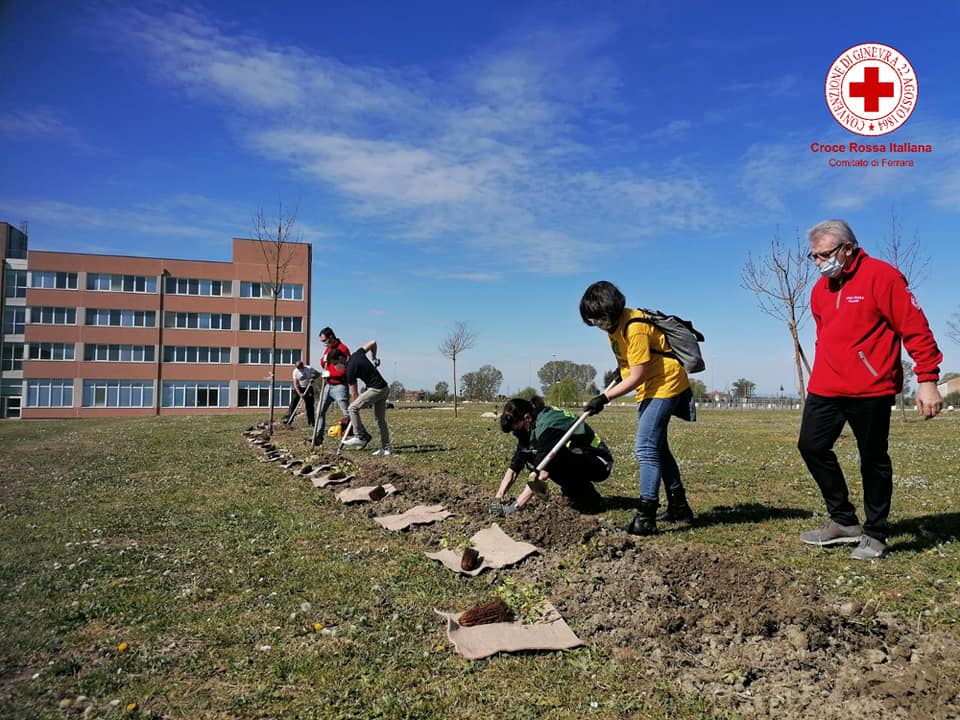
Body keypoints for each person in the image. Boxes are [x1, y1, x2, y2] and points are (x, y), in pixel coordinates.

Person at [797, 219, 943, 560]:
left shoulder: (883, 276)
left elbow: (916, 329)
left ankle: (876, 533)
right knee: (811, 447)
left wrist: (927, 379)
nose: (818, 263)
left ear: (847, 248)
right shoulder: (820, 290)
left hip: (870, 388)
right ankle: (844, 521)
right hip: (826, 386)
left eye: (824, 255)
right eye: (814, 256)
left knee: (873, 459)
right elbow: (825, 336)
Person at [579, 280, 696, 535]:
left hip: (665, 384)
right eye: (593, 321)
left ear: (610, 311)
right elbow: (631, 363)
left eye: (598, 319)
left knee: (645, 447)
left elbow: (637, 376)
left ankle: (646, 516)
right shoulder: (615, 328)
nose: (597, 325)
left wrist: (604, 398)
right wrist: (620, 370)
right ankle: (679, 506)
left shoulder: (635, 327)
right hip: (649, 387)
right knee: (658, 448)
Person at [489, 395, 612, 517]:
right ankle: (584, 495)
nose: (516, 433)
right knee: (531, 455)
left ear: (527, 418)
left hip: (599, 461)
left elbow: (540, 473)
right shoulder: (531, 425)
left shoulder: (547, 426)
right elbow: (514, 467)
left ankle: (586, 496)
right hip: (578, 458)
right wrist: (497, 499)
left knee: (551, 461)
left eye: (517, 429)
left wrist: (514, 507)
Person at [327, 340, 392, 455]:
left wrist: (356, 407)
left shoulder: (350, 370)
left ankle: (360, 437)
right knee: (380, 420)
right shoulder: (357, 354)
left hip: (376, 389)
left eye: (335, 363)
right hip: (384, 388)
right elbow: (373, 343)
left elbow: (354, 394)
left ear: (341, 358)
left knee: (352, 408)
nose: (336, 367)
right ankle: (386, 448)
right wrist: (374, 357)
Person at [314, 327, 351, 444]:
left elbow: (344, 370)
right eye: (322, 341)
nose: (324, 343)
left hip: (340, 386)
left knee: (348, 413)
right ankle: (318, 437)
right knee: (319, 412)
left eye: (325, 340)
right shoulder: (328, 349)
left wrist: (330, 373)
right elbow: (323, 364)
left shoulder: (343, 349)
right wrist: (323, 360)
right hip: (328, 385)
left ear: (331, 337)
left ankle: (359, 434)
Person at [283, 360, 319, 427]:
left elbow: (318, 374)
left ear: (303, 365)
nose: (300, 369)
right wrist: (299, 394)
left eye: (300, 367)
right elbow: (295, 384)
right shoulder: (295, 372)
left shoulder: (309, 368)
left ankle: (311, 421)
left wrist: (313, 378)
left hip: (308, 387)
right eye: (298, 368)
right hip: (299, 388)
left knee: (310, 406)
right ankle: (289, 420)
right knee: (293, 403)